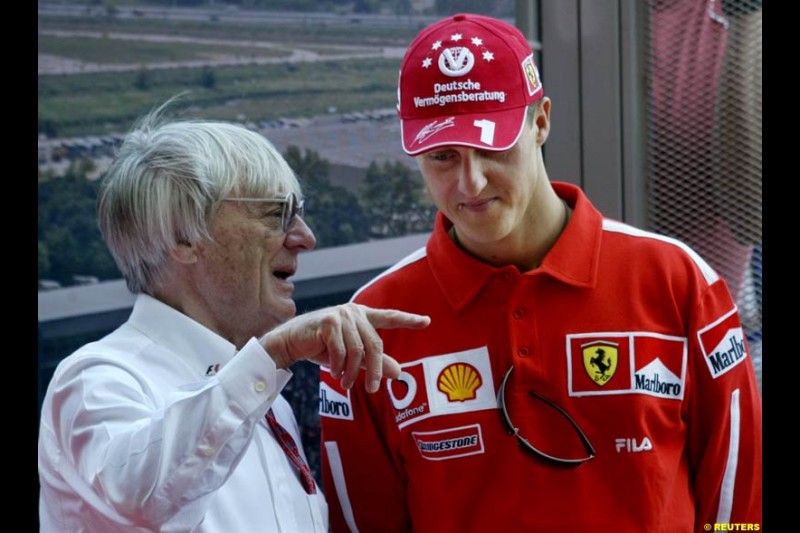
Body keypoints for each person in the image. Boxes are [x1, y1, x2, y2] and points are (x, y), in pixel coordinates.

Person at [319, 13, 762, 532]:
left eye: (491, 146)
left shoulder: (678, 280)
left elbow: (739, 504)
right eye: (442, 156)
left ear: (542, 121)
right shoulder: (373, 325)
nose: (471, 182)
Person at [37, 99, 430, 532]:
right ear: (184, 237)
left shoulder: (261, 398)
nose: (304, 237)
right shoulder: (96, 380)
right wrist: (275, 353)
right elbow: (141, 502)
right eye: (278, 213)